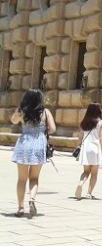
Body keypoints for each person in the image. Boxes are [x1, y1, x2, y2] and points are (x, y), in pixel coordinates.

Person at [11, 88, 55, 218]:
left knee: (22, 179)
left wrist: (19, 111)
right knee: (34, 178)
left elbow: (13, 121)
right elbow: (52, 129)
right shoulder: (45, 112)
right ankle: (32, 199)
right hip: (38, 145)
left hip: (24, 144)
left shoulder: (22, 111)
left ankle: (20, 208)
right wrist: (41, 130)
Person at [74, 103, 102, 200]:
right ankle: (89, 193)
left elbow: (80, 136)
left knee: (85, 172)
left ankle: (81, 183)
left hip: (86, 148)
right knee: (94, 173)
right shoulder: (101, 123)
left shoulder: (84, 122)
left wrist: (78, 146)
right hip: (95, 148)